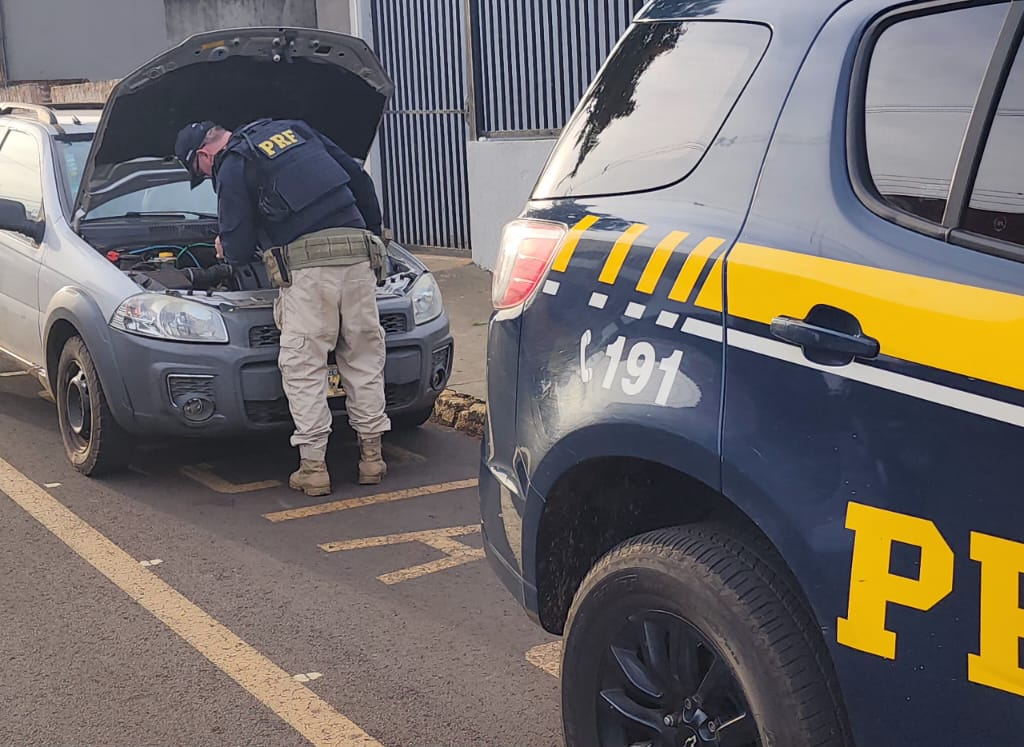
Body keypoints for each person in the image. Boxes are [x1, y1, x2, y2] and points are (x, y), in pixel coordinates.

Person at [174, 118, 391, 495]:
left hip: (309, 270)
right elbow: (359, 180)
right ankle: (372, 457)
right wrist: (371, 235)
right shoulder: (297, 130)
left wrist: (227, 248)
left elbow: (240, 248)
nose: (207, 176)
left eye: (201, 171)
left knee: (304, 366)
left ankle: (314, 468)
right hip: (359, 256)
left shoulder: (233, 163)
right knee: (364, 357)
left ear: (204, 155)